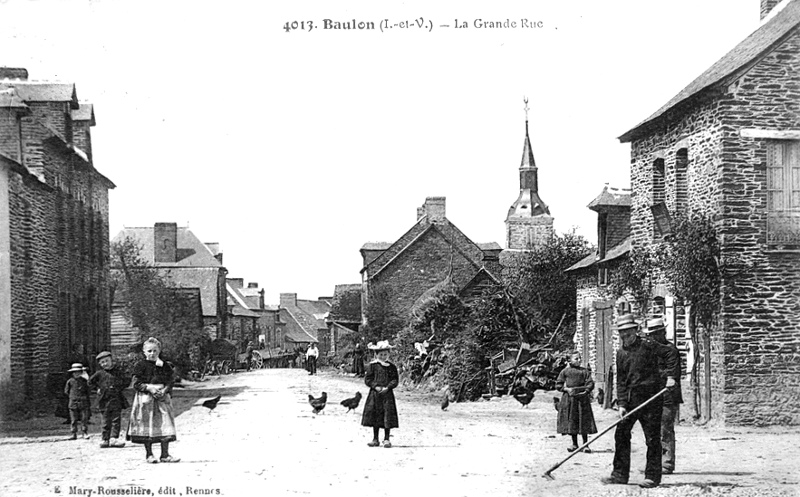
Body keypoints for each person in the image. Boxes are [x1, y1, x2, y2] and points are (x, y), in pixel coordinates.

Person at [601, 314, 679, 489]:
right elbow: (621, 381)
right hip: (630, 400)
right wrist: (621, 404)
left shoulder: (648, 346)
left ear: (635, 331)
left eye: (628, 334)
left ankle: (652, 476)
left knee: (652, 438)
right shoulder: (621, 354)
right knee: (621, 434)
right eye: (622, 335)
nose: (625, 338)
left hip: (651, 399)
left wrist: (671, 376)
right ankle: (619, 475)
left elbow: (671, 353)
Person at [127, 337, 180, 464]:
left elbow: (170, 381)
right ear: (144, 352)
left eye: (155, 351)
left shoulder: (164, 365)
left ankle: (165, 454)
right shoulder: (140, 366)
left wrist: (165, 390)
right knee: (147, 425)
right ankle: (149, 454)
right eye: (149, 351)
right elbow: (136, 383)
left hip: (161, 398)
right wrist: (148, 388)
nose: (152, 354)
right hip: (146, 398)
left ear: (159, 351)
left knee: (165, 424)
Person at [642, 318, 683, 475]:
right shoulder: (649, 351)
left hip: (667, 395)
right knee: (652, 430)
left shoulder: (671, 350)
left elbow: (673, 373)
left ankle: (667, 462)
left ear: (661, 333)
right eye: (649, 335)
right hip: (652, 394)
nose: (650, 338)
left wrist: (655, 374)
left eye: (653, 335)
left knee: (665, 428)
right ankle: (654, 463)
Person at [555, 351, 597, 452]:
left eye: (580, 358)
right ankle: (574, 444)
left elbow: (590, 383)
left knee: (583, 421)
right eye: (576, 359)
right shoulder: (565, 372)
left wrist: (586, 391)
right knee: (572, 420)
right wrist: (567, 389)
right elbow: (558, 385)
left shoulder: (584, 371)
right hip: (570, 399)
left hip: (582, 399)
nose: (579, 360)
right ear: (569, 360)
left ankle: (585, 445)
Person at [361, 341, 399, 448]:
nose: (383, 356)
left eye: (385, 354)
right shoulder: (372, 366)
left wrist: (388, 387)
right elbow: (368, 379)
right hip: (375, 394)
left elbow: (395, 380)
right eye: (381, 354)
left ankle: (386, 439)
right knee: (376, 416)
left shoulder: (391, 367)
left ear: (388, 354)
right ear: (376, 355)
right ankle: (375, 439)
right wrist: (375, 386)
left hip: (387, 395)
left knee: (387, 415)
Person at [89, 351, 129, 448]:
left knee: (116, 419)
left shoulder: (118, 372)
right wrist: (97, 389)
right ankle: (105, 439)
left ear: (111, 360)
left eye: (107, 361)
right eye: (102, 362)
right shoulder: (99, 374)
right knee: (105, 420)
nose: (105, 364)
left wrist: (119, 387)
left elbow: (126, 380)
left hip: (116, 399)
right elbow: (90, 382)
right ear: (100, 364)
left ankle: (114, 438)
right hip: (104, 400)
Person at [64, 363, 91, 439]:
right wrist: (73, 397)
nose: (77, 374)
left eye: (79, 372)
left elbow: (89, 390)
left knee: (84, 419)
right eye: (75, 372)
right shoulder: (70, 381)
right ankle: (73, 433)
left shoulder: (85, 381)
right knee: (73, 419)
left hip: (83, 402)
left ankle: (84, 432)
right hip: (73, 402)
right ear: (72, 373)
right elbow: (66, 391)